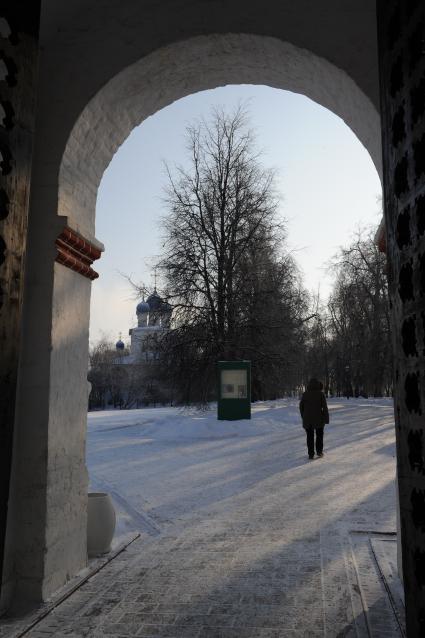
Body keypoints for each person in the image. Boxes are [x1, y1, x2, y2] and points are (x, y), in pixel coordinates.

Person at [299, 378, 329, 460]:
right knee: (319, 435)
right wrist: (326, 419)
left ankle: (311, 454)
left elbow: (301, 407)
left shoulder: (305, 394)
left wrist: (303, 416)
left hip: (307, 419)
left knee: (309, 436)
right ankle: (319, 452)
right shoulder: (321, 394)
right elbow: (325, 408)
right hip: (319, 419)